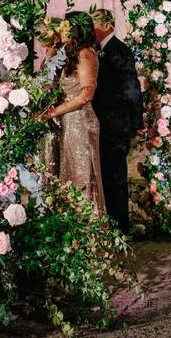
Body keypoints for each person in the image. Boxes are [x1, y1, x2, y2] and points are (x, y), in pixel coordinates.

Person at [41, 12, 106, 211]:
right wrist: (50, 48)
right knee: (65, 172)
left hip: (79, 121)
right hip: (66, 119)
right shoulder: (67, 54)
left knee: (80, 172)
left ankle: (86, 229)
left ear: (75, 30)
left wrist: (55, 112)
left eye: (65, 26)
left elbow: (86, 95)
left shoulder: (85, 54)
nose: (61, 29)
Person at [90, 8, 143, 233]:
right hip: (104, 124)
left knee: (116, 177)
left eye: (95, 25)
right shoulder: (98, 50)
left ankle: (121, 227)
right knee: (106, 176)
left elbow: (132, 89)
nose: (92, 30)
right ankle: (109, 223)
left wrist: (134, 122)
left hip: (116, 124)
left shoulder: (120, 50)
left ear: (108, 26)